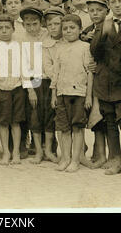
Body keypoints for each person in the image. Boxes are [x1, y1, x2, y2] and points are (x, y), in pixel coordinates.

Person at [90, 0, 121, 179]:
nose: (117, 5)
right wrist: (102, 33)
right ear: (108, 5)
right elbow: (95, 52)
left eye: (120, 1)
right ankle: (116, 159)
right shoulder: (104, 25)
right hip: (105, 82)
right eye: (113, 2)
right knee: (110, 122)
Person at [51, 14, 93, 172]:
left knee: (77, 127)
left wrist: (88, 96)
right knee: (64, 128)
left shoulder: (85, 47)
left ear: (80, 29)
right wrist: (54, 94)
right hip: (62, 93)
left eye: (72, 28)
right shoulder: (59, 49)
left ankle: (76, 159)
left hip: (79, 93)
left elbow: (89, 72)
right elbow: (56, 73)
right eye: (65, 28)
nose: (68, 31)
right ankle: (65, 158)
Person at [0, 14, 26, 165]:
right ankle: (6, 153)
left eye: (7, 27)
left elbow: (24, 66)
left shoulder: (19, 45)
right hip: (1, 87)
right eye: (0, 28)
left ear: (13, 29)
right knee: (3, 122)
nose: (4, 31)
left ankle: (15, 152)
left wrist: (24, 83)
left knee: (16, 122)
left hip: (17, 87)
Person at [82, 0, 110, 169]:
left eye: (99, 10)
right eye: (92, 10)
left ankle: (107, 154)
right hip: (93, 79)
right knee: (97, 117)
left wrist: (98, 64)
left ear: (106, 11)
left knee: (107, 118)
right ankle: (99, 153)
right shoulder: (88, 30)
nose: (95, 13)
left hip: (107, 77)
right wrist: (85, 36)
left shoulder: (110, 28)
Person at [20, 6, 49, 164]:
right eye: (28, 24)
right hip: (34, 79)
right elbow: (23, 66)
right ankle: (38, 150)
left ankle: (49, 149)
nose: (31, 28)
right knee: (35, 114)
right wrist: (30, 89)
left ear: (41, 22)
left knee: (49, 114)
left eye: (35, 23)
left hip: (48, 79)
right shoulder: (22, 39)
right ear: (23, 24)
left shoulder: (48, 34)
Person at [42, 6, 66, 163]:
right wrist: (58, 78)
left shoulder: (68, 41)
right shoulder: (46, 45)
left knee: (66, 117)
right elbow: (48, 67)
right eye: (50, 25)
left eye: (56, 24)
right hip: (50, 83)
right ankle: (49, 149)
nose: (53, 27)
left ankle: (68, 150)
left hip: (69, 84)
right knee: (50, 117)